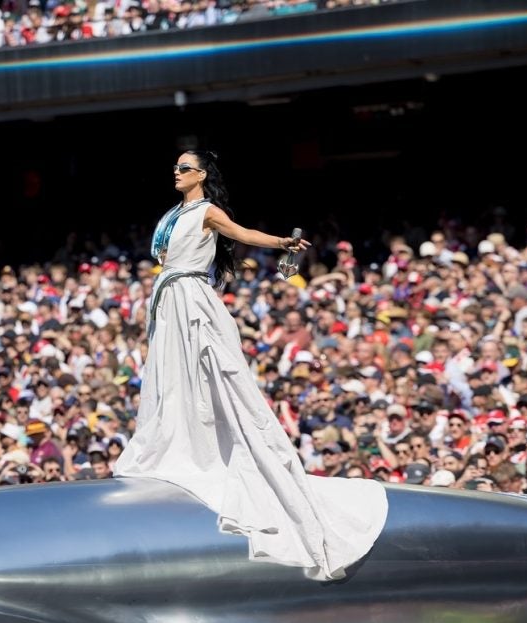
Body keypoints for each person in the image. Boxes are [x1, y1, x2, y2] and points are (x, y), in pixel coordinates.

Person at [113, 150, 388, 581]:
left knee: (209, 375)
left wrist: (281, 243)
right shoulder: (173, 213)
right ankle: (178, 442)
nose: (176, 172)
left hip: (190, 300)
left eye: (184, 168)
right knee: (172, 380)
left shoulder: (207, 211)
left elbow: (241, 233)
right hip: (169, 300)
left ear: (202, 175)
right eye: (175, 166)